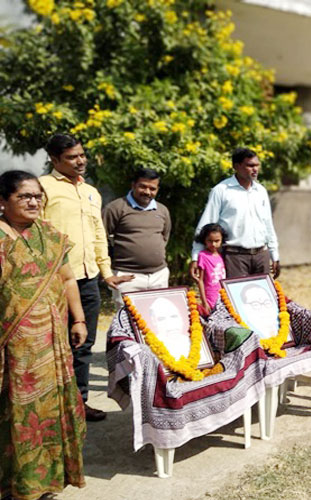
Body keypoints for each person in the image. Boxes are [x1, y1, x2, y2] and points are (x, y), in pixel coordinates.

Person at [0, 170, 87, 500]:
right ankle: (17, 486)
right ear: (3, 201)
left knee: (50, 411)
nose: (34, 201)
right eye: (24, 196)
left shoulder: (50, 235)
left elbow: (68, 279)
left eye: (37, 196)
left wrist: (79, 320)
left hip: (52, 346)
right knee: (16, 415)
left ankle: (46, 482)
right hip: (12, 350)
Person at [39, 133, 133, 421]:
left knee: (83, 344)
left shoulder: (91, 191)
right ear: (54, 159)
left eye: (81, 155)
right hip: (53, 280)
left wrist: (106, 272)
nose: (80, 161)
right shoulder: (43, 188)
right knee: (51, 345)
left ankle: (78, 405)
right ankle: (49, 407)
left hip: (88, 278)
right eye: (71, 157)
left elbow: (98, 235)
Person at [190, 147, 280, 282]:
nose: (255, 169)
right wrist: (196, 257)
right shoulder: (221, 191)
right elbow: (206, 225)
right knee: (237, 294)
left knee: (262, 294)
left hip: (261, 255)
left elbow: (268, 224)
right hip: (234, 257)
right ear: (237, 166)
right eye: (250, 166)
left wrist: (274, 255)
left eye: (257, 165)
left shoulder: (260, 191)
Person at [103, 167, 171, 305]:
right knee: (128, 316)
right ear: (133, 185)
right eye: (143, 187)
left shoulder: (162, 210)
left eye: (152, 189)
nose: (147, 192)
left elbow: (165, 237)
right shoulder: (116, 208)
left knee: (157, 315)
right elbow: (100, 238)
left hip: (159, 275)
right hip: (127, 276)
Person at [195, 223, 228, 315]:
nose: (213, 244)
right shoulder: (203, 256)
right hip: (210, 297)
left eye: (217, 241)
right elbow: (200, 280)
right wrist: (204, 302)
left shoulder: (222, 255)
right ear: (204, 240)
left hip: (223, 297)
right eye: (210, 241)